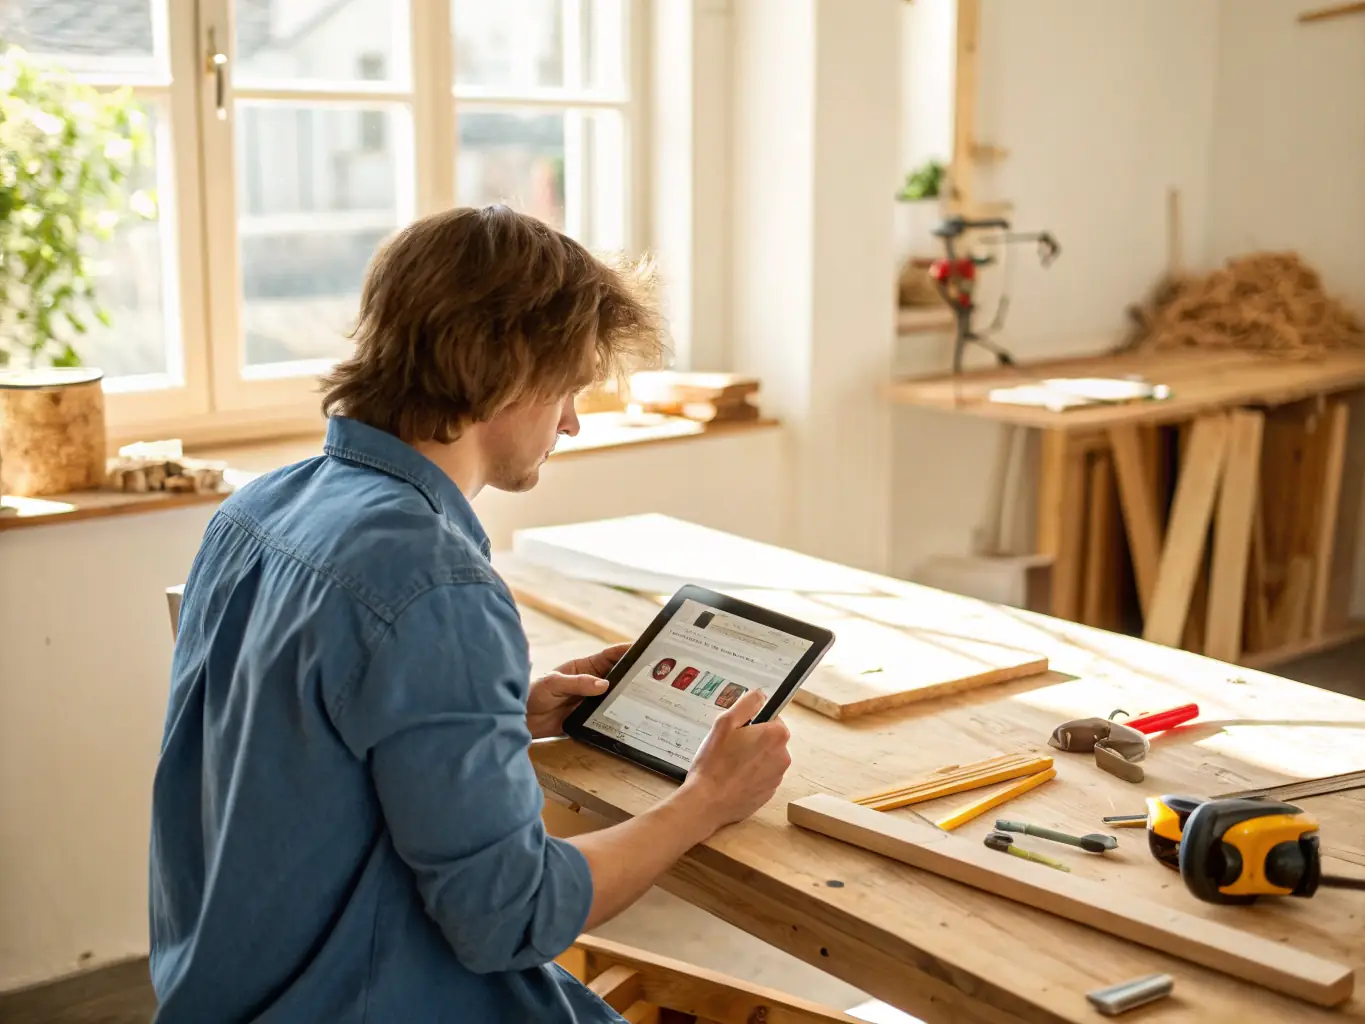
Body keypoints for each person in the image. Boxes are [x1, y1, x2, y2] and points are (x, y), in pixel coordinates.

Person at [149, 206, 793, 1023]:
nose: (571, 420)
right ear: (511, 370)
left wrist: (501, 716)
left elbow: (296, 748)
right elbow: (511, 917)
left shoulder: (260, 508)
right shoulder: (433, 582)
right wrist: (703, 799)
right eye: (568, 386)